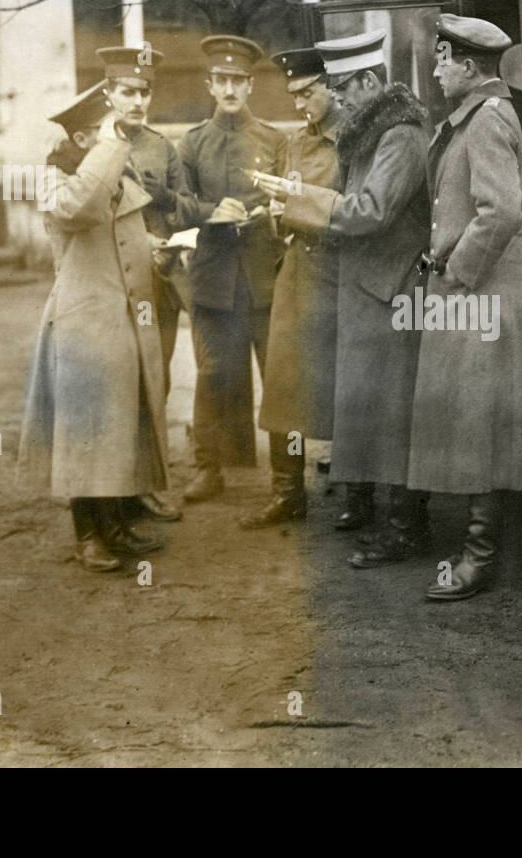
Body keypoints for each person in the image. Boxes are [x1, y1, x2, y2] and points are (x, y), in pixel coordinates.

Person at [255, 29, 432, 561]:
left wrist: (298, 197)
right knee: (373, 408)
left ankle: (405, 529)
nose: (341, 99)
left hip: (391, 287)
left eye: (345, 88)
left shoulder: (400, 136)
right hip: (371, 287)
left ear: (371, 82)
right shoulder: (375, 133)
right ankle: (389, 518)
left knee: (395, 412)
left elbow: (372, 211)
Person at [409, 14, 522, 600]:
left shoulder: (488, 119)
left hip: (487, 291)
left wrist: (456, 271)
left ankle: (481, 553)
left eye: (444, 60)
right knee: (477, 417)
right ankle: (481, 544)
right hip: (477, 289)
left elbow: (500, 211)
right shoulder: (473, 116)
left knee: (481, 419)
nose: (437, 69)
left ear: (470, 68)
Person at [18, 83, 170, 572]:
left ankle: (115, 526)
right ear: (83, 139)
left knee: (116, 426)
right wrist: (110, 146)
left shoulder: (105, 171)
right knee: (83, 431)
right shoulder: (58, 178)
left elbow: (119, 233)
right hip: (83, 321)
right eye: (105, 131)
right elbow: (79, 211)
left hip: (119, 318)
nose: (118, 137)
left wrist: (159, 248)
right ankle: (89, 536)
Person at [95, 44, 207, 524]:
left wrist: (166, 202)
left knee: (156, 381)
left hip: (160, 278)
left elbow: (188, 204)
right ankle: (116, 491)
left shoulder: (162, 148)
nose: (138, 101)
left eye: (145, 92)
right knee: (121, 385)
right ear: (109, 95)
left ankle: (148, 486)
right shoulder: (93, 147)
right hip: (116, 283)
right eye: (128, 92)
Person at [176, 36, 288, 504]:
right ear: (209, 85)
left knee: (279, 378)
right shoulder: (191, 142)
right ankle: (208, 468)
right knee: (212, 375)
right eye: (220, 80)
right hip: (214, 278)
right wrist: (208, 211)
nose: (229, 89)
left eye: (237, 81)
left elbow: (288, 198)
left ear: (250, 87)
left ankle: (286, 481)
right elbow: (177, 207)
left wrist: (270, 210)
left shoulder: (274, 139)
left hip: (264, 277)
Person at [244, 48, 343, 527]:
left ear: (333, 86)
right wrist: (270, 214)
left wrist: (294, 206)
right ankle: (287, 492)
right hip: (296, 274)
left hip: (342, 278)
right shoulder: (294, 143)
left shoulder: (355, 141)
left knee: (345, 387)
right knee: (283, 385)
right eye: (294, 95)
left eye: (308, 92)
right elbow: (285, 202)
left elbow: (359, 209)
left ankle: (353, 493)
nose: (300, 104)